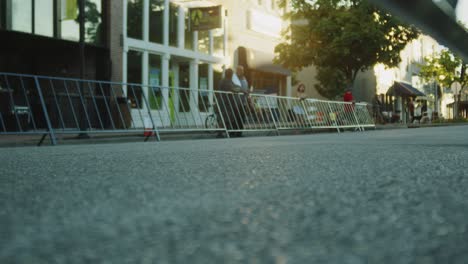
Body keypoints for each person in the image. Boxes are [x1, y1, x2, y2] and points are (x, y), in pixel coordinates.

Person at [218, 68, 244, 137]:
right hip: (225, 102)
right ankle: (221, 133)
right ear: (229, 74)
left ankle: (226, 131)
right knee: (225, 117)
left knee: (228, 117)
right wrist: (243, 90)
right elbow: (233, 88)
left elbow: (235, 87)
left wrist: (240, 89)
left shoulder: (227, 80)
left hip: (226, 102)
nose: (232, 75)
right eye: (231, 73)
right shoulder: (225, 81)